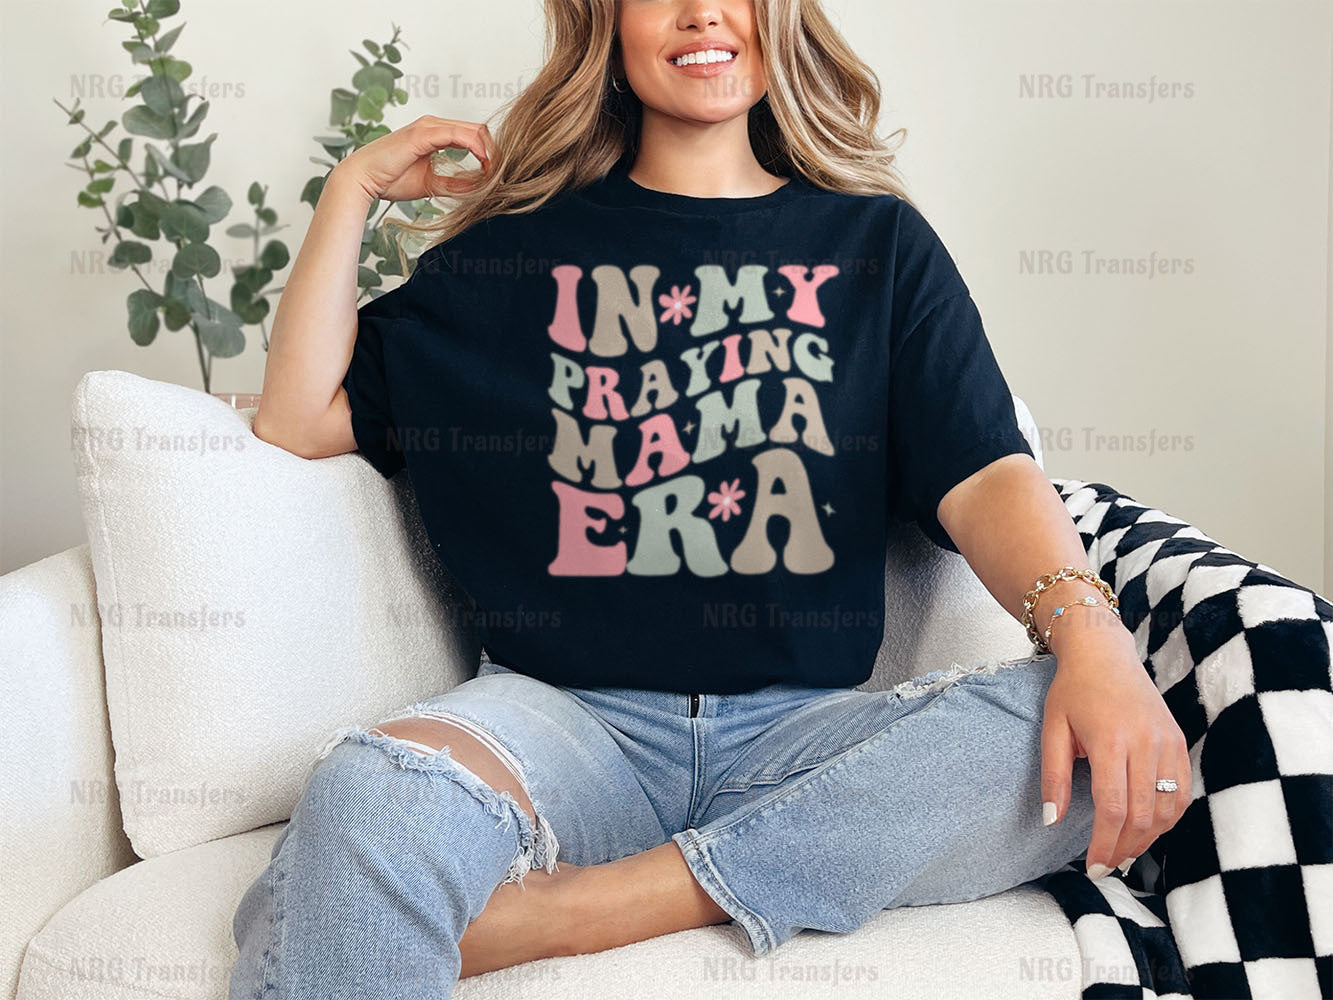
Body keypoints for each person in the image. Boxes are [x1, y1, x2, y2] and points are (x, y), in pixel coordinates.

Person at [230, 1, 1191, 997]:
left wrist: (1089, 637)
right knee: (371, 793)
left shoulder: (877, 248)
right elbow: (302, 418)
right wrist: (351, 191)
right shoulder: (514, 257)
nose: (703, 11)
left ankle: (585, 908)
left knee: (1084, 741)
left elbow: (985, 473)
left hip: (802, 738)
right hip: (566, 725)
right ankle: (735, 870)